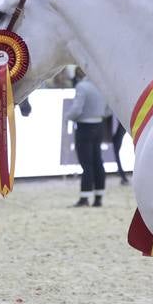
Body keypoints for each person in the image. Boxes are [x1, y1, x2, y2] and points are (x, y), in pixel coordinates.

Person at [66, 70, 111, 207]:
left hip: (84, 126)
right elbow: (108, 110)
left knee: (87, 164)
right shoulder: (102, 86)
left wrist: (68, 117)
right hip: (99, 125)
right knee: (98, 161)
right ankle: (98, 197)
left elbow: (77, 109)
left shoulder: (82, 86)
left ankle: (84, 197)